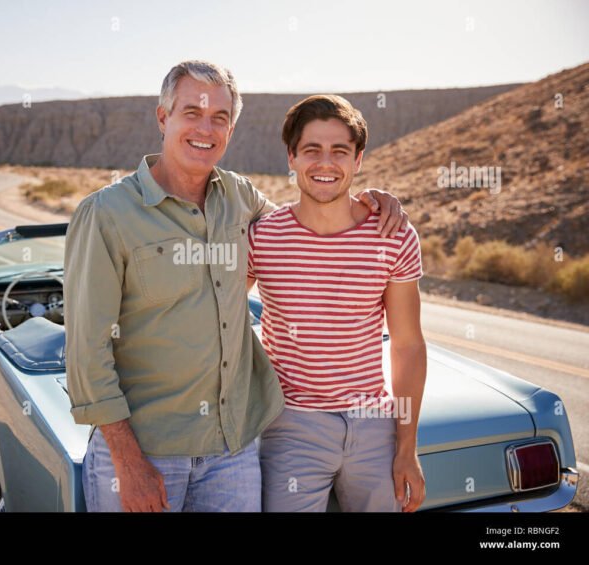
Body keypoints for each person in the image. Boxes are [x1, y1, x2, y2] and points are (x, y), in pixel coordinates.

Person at [65, 61, 408, 512]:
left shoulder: (240, 198)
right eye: (192, 112)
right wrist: (128, 461)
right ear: (163, 117)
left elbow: (306, 219)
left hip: (234, 455)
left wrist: (370, 201)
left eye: (220, 118)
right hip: (146, 454)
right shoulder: (107, 215)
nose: (206, 128)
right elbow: (86, 354)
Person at [248, 94, 427, 512]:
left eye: (339, 151)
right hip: (291, 426)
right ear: (291, 157)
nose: (325, 163)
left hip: (374, 428)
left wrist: (407, 448)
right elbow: (215, 315)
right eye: (312, 150)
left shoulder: (393, 235)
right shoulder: (262, 237)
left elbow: (407, 346)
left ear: (358, 159)